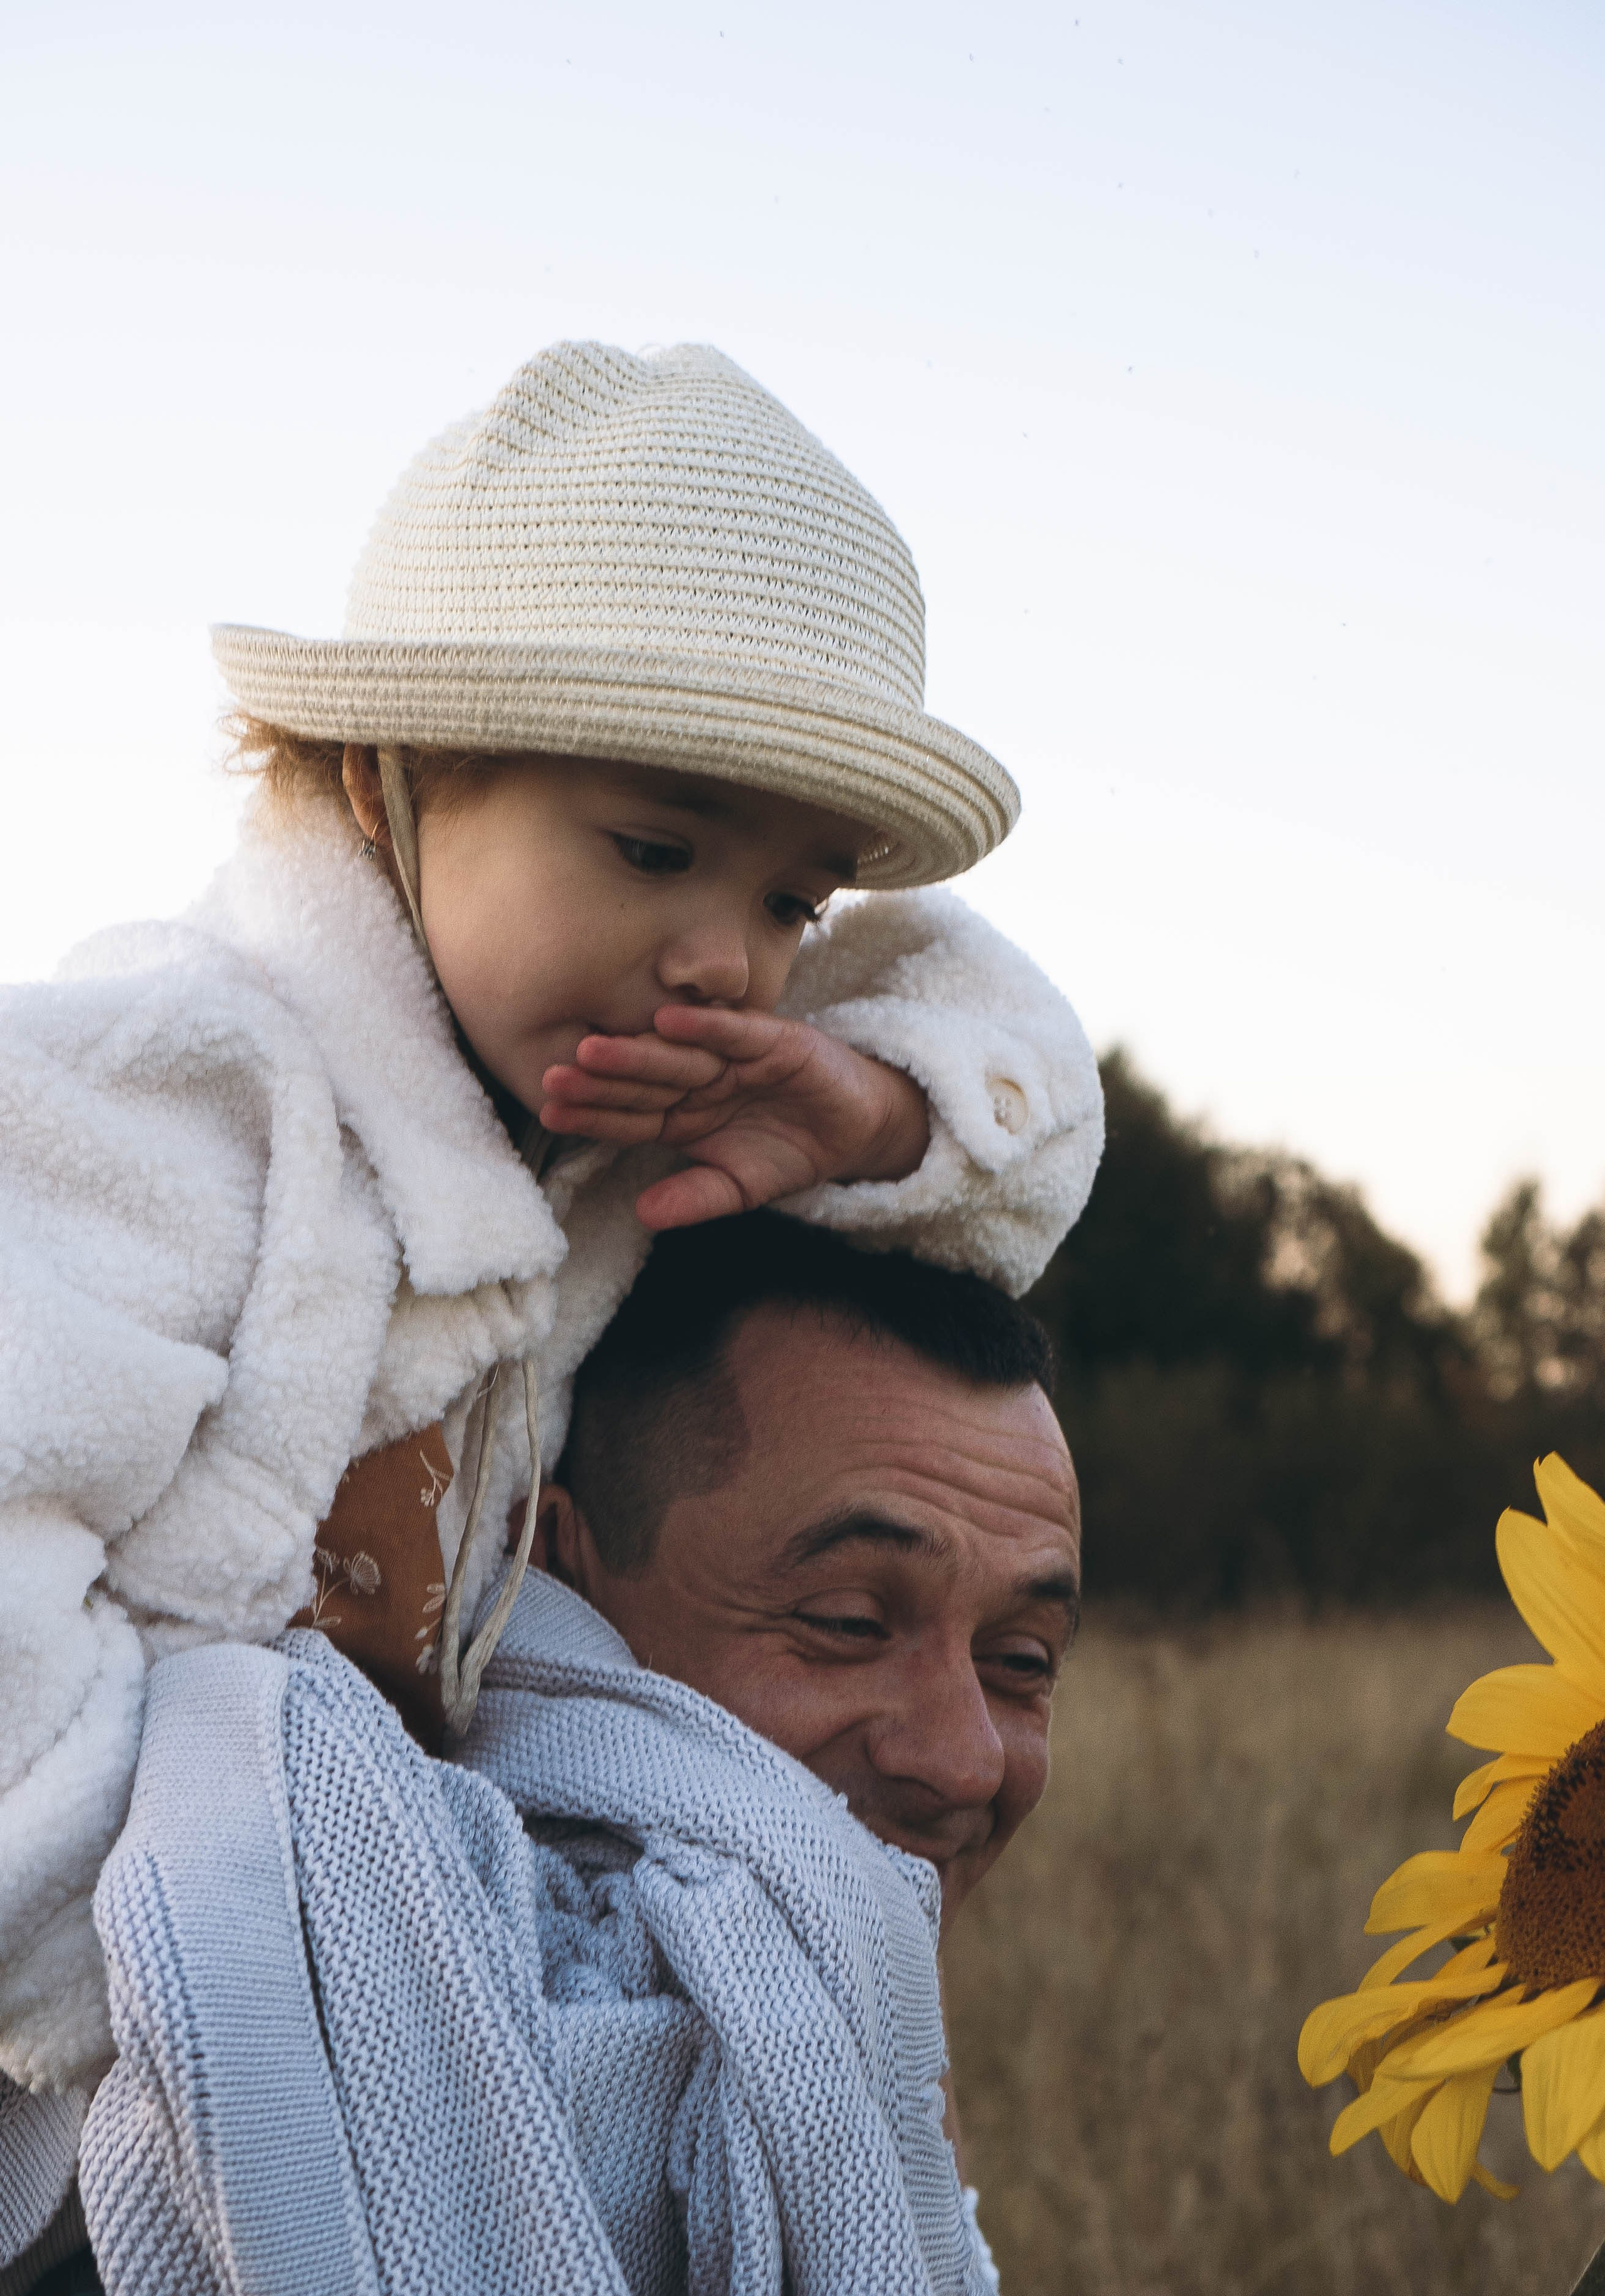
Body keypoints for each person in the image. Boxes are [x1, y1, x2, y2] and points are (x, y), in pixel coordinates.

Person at [0, 338, 1105, 2167]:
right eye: (655, 845)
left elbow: (1009, 1100)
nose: (727, 963)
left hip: (321, 2042)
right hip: (102, 2057)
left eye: (786, 898)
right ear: (389, 782)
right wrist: (122, 1989)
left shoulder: (595, 1150)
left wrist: (878, 1115)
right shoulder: (184, 1095)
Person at [74, 1215, 1081, 2296]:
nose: (965, 1760)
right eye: (851, 1624)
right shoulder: (238, 2122)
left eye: (1021, 1659)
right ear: (553, 1577)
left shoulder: (841, 2108)